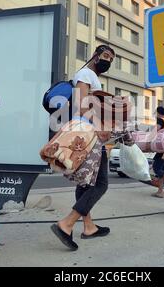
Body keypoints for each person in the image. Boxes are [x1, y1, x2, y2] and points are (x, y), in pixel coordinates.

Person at [50, 45, 115, 251]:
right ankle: (66, 224)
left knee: (87, 183)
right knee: (101, 184)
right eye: (105, 56)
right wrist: (98, 129)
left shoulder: (92, 76)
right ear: (95, 56)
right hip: (89, 134)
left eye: (111, 59)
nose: (108, 61)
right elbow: (81, 105)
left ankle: (89, 227)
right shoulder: (86, 73)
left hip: (89, 132)